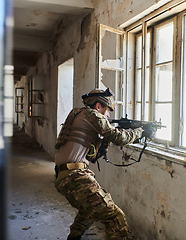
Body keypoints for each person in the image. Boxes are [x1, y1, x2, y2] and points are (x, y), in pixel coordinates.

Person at [54, 88, 148, 240]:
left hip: (65, 176)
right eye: (108, 110)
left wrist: (104, 140)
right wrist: (140, 132)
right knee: (115, 217)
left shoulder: (78, 115)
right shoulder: (91, 114)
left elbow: (92, 156)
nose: (109, 115)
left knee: (89, 212)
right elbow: (120, 138)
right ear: (98, 106)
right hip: (75, 177)